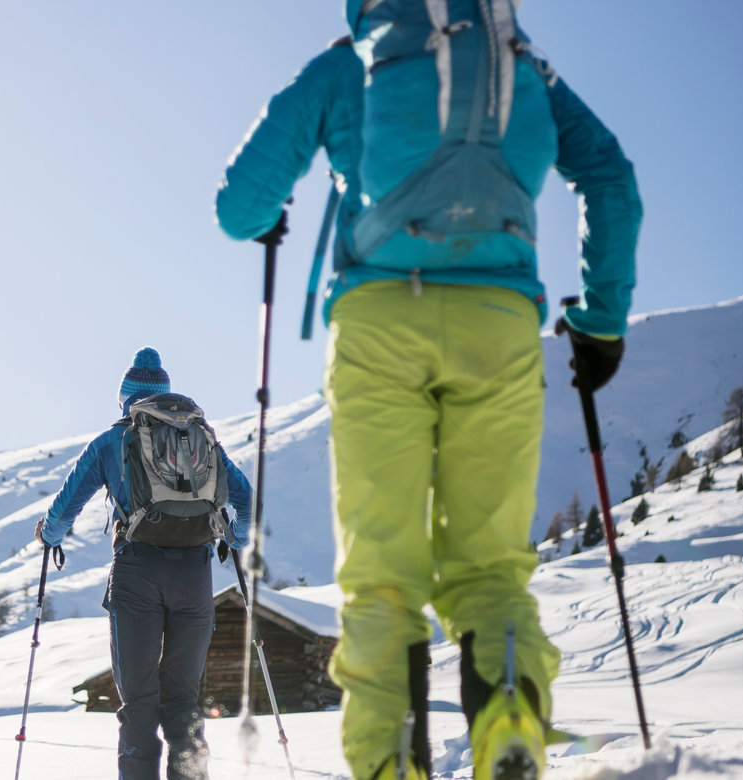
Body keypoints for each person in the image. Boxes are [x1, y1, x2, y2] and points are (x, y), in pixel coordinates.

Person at [213, 3, 640, 780]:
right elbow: (610, 177)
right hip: (500, 322)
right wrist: (603, 318)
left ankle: (387, 760)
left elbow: (239, 206)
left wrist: (272, 213)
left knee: (381, 575)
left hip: (379, 323)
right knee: (489, 568)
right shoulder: (525, 65)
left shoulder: (355, 61)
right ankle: (508, 704)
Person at [35, 347, 253, 780]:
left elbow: (63, 512)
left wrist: (47, 536)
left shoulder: (113, 440)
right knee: (183, 702)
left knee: (139, 703)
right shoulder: (201, 438)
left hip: (137, 575)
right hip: (195, 574)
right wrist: (235, 538)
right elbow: (247, 501)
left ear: (125, 399)